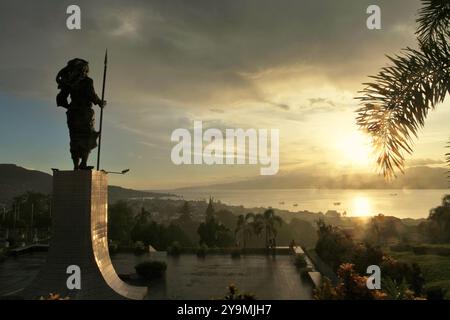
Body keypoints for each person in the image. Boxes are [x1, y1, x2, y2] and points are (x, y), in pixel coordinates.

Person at [56, 59, 106, 170]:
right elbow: (92, 95)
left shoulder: (69, 82)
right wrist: (100, 102)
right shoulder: (87, 81)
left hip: (72, 114)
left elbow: (61, 99)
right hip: (84, 113)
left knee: (74, 138)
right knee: (87, 137)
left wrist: (70, 107)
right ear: (84, 69)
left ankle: (75, 165)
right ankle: (83, 163)